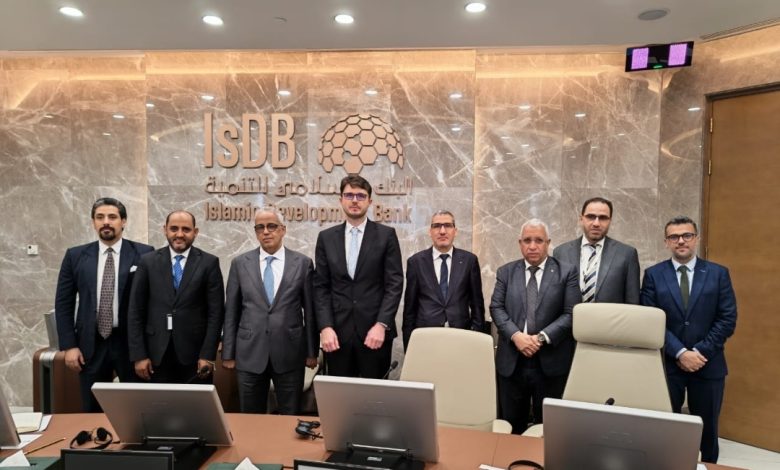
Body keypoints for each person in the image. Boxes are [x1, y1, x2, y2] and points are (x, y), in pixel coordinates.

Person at [640, 216, 737, 463]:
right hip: (668, 365)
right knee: (665, 428)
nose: (681, 241)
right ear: (666, 242)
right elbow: (651, 320)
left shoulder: (718, 274)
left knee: (707, 430)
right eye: (674, 237)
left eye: (687, 235)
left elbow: (727, 319)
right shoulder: (653, 275)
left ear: (696, 238)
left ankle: (708, 466)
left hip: (708, 364)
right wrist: (681, 353)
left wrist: (699, 352)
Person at [54, 197, 154, 412]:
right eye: (100, 217)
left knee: (137, 408)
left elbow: (152, 302)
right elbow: (63, 303)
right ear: (93, 222)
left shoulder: (145, 253)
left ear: (123, 221)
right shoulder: (75, 256)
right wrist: (69, 346)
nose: (106, 222)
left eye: (112, 217)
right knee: (92, 408)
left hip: (131, 344)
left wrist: (145, 350)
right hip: (90, 344)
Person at [222, 209, 318, 414]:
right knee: (250, 416)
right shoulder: (240, 264)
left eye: (272, 226)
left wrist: (312, 352)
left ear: (283, 230)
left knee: (290, 416)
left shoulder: (302, 264)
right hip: (249, 353)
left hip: (290, 353)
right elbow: (231, 311)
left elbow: (310, 312)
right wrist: (228, 353)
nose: (266, 231)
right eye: (260, 227)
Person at [490, 219, 580, 433]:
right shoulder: (506, 272)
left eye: (538, 240)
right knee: (511, 428)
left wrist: (540, 338)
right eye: (527, 240)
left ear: (548, 243)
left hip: (550, 363)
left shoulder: (566, 272)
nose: (532, 246)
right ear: (520, 243)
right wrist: (516, 336)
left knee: (548, 429)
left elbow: (571, 313)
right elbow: (496, 307)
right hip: (512, 363)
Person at [313, 175, 403, 378]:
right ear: (341, 200)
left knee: (376, 395)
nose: (355, 200)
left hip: (375, 334)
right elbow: (321, 287)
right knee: (340, 395)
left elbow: (394, 284)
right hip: (337, 335)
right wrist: (325, 327)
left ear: (370, 201)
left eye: (361, 196)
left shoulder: (386, 235)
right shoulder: (326, 238)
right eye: (349, 195)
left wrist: (381, 324)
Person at [127, 210, 224, 384]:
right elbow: (135, 310)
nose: (179, 234)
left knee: (194, 402)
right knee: (159, 402)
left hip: (195, 356)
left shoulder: (209, 263)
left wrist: (208, 355)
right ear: (165, 230)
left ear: (195, 232)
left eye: (186, 229)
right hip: (155, 354)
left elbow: (216, 313)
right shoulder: (148, 261)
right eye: (174, 229)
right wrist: (139, 355)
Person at [402, 210, 485, 350]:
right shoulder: (416, 262)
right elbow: (409, 310)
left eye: (447, 225)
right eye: (437, 226)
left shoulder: (469, 261)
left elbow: (477, 306)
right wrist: (409, 348)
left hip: (461, 338)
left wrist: (475, 340)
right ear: (430, 231)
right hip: (426, 340)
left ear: (455, 231)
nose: (442, 231)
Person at [553, 197, 640, 304]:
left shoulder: (627, 254)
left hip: (609, 315)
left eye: (603, 218)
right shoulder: (561, 253)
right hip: (571, 315)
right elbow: (554, 298)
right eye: (591, 216)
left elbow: (633, 302)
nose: (596, 223)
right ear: (581, 219)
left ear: (610, 221)